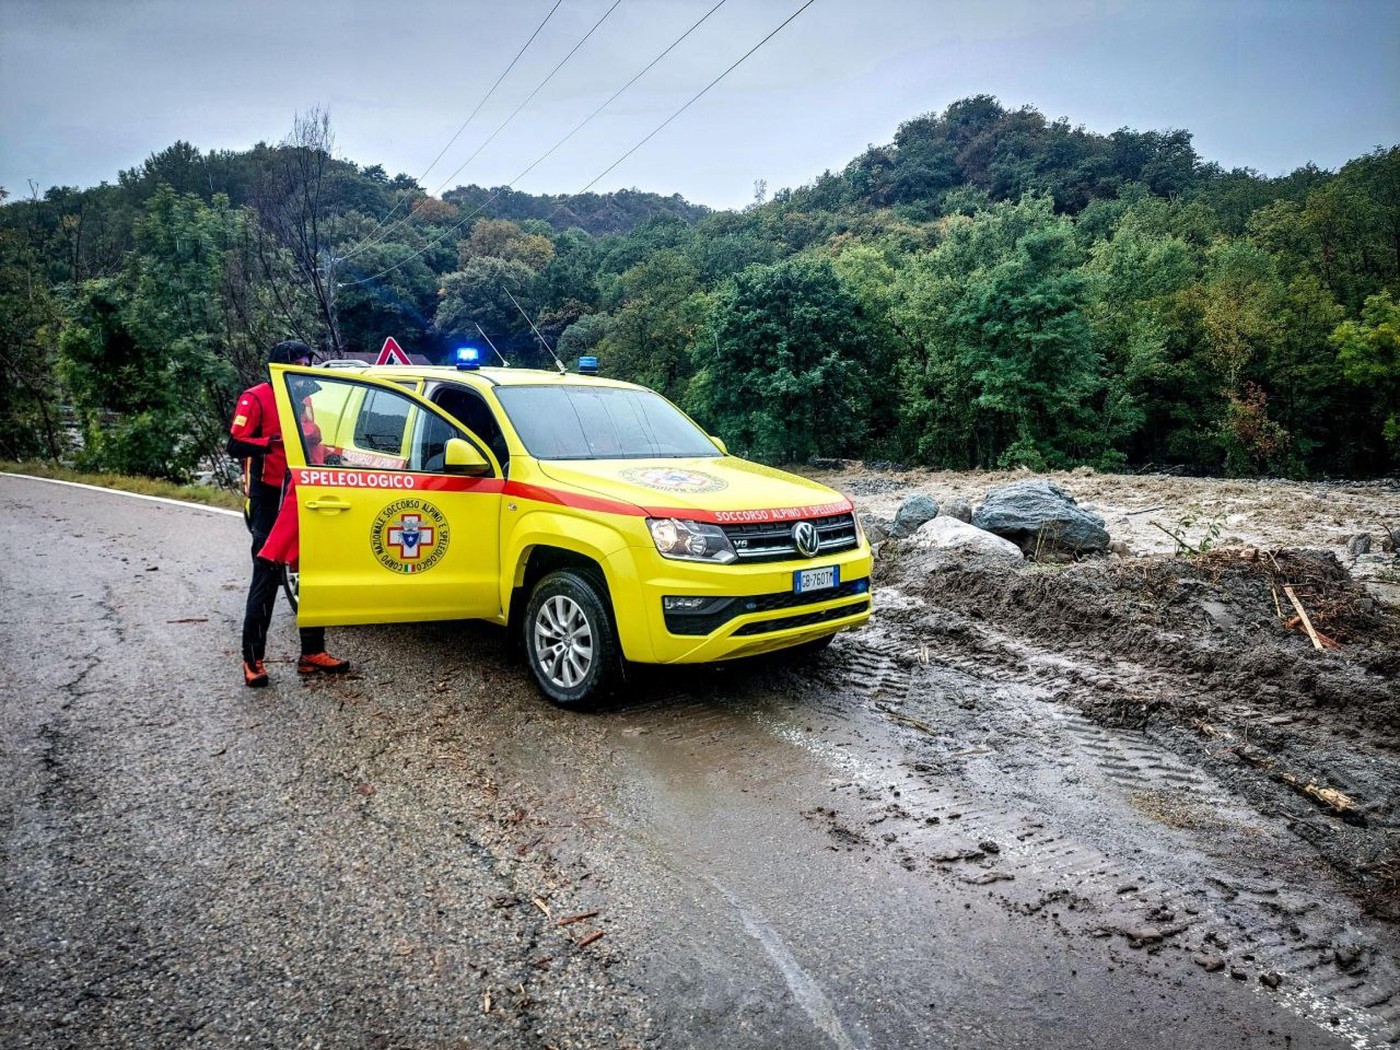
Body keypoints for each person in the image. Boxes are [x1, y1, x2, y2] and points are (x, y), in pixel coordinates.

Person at [228, 339, 349, 687]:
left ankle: (312, 652)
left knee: (311, 572)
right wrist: (271, 443)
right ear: (283, 368)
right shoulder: (256, 398)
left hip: (306, 493)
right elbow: (234, 444)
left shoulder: (304, 398)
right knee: (266, 576)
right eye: (301, 364)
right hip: (269, 496)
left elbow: (315, 440)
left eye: (308, 364)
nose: (306, 370)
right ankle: (253, 659)